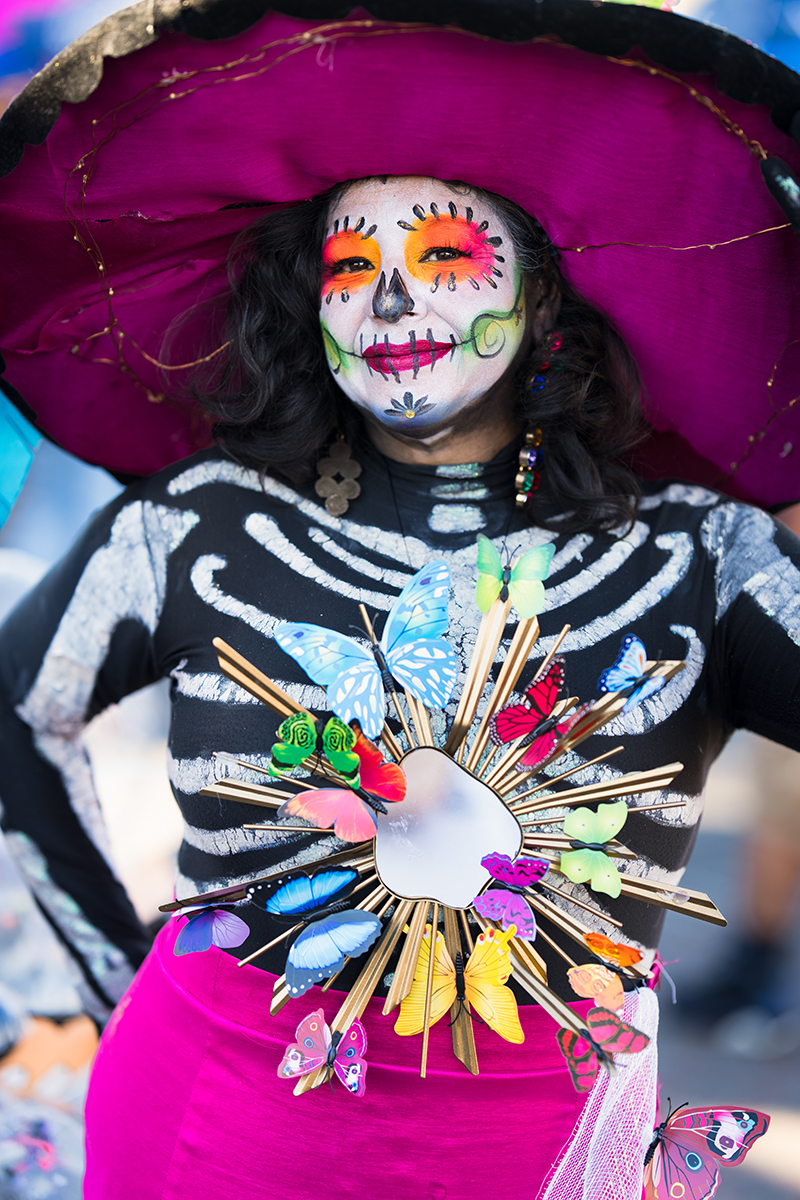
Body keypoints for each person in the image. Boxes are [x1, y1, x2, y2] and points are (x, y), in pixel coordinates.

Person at [0, 4, 799, 1199]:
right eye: (347, 267)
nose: (386, 302)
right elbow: (18, 710)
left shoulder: (701, 555)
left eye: (439, 260)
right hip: (205, 1121)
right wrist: (101, 978)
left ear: (541, 295)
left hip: (547, 1153)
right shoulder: (202, 520)